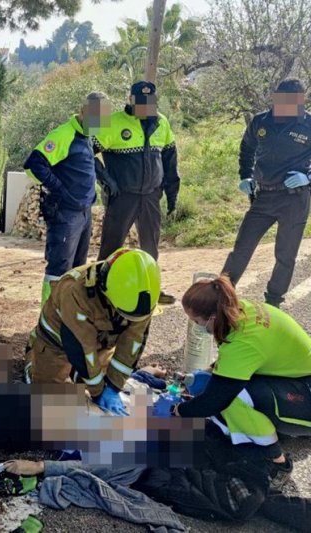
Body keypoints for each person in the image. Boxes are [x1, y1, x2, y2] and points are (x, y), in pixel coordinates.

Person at [157, 275, 311, 479]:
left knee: (233, 399)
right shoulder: (238, 311)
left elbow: (214, 401)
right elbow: (227, 362)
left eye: (196, 321)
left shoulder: (244, 343)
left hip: (305, 394)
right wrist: (204, 373)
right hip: (294, 378)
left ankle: (276, 459)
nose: (196, 326)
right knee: (219, 386)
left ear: (212, 317)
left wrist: (179, 410)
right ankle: (269, 425)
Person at [25, 248, 160, 415]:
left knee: (99, 379)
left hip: (98, 341)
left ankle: (79, 374)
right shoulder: (75, 290)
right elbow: (81, 348)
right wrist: (98, 391)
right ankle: (33, 355)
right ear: (105, 290)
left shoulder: (142, 299)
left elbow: (133, 343)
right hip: (57, 340)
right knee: (50, 401)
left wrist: (113, 387)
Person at [222, 78, 311, 308]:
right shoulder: (261, 121)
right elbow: (247, 148)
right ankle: (222, 295)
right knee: (242, 248)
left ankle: (273, 301)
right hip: (264, 197)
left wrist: (307, 177)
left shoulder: (308, 124)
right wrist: (245, 175)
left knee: (285, 255)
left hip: (295, 198)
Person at [93, 81, 180, 305]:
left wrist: (171, 196)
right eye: (140, 102)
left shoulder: (162, 123)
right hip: (123, 196)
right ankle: (100, 291)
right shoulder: (112, 123)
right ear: (131, 100)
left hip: (151, 195)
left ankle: (150, 288)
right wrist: (106, 181)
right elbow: (87, 153)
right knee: (111, 245)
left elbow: (170, 162)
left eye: (149, 103)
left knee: (151, 245)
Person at [23, 92, 111, 305]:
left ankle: (68, 315)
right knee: (59, 268)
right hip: (65, 213)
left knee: (77, 268)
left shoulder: (87, 137)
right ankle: (49, 319)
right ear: (83, 112)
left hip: (83, 213)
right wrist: (60, 190)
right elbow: (34, 164)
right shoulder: (64, 134)